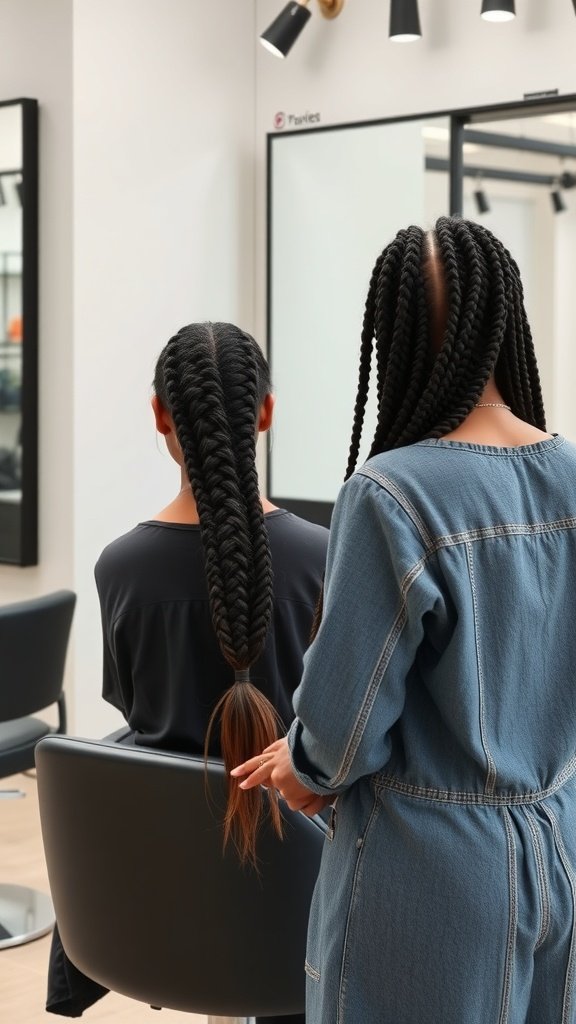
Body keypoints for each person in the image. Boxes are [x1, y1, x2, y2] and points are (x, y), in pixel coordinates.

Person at [233, 217, 576, 1024]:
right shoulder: (569, 473)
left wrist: (304, 765)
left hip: (429, 875)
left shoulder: (391, 493)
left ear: (394, 339)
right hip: (560, 844)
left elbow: (340, 732)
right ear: (505, 321)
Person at [47, 322, 328, 1024]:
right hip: (299, 906)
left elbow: (136, 709)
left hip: (165, 898)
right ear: (266, 413)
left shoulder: (121, 569)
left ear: (160, 417)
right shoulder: (326, 560)